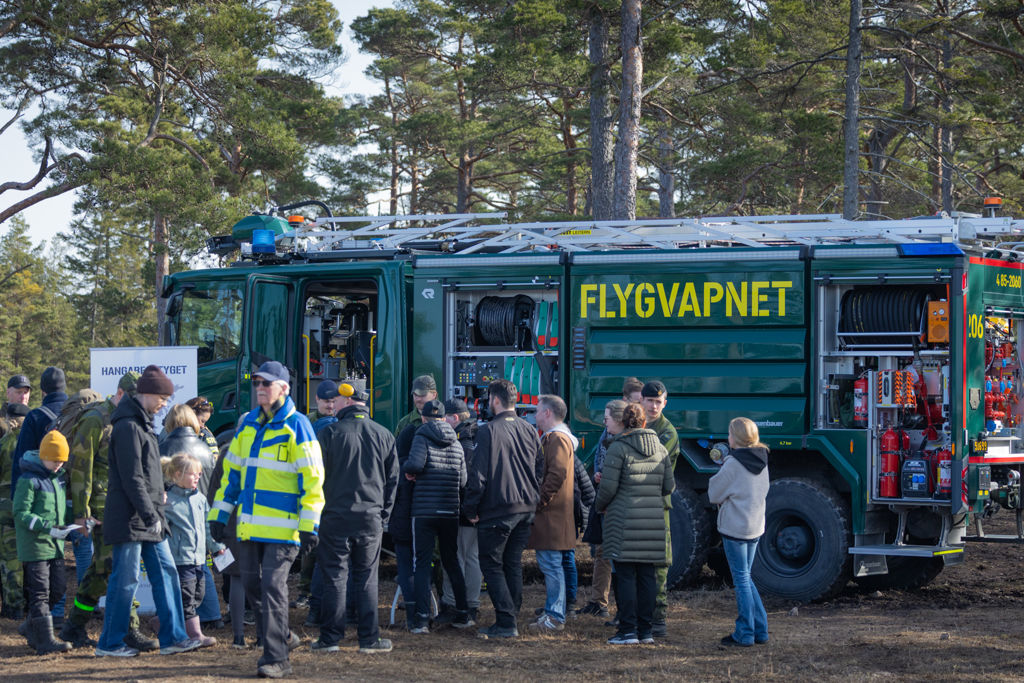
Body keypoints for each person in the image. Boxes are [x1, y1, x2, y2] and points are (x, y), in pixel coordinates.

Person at [209, 360, 325, 679]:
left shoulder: (298, 425)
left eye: (267, 384)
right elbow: (231, 475)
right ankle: (283, 636)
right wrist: (219, 515)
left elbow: (313, 480)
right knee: (251, 587)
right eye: (257, 383)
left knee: (273, 587)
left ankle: (276, 658)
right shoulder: (248, 425)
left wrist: (309, 524)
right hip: (248, 527)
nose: (260, 389)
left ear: (284, 389)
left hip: (284, 529)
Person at [95, 365, 201, 658]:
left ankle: (174, 638)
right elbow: (132, 478)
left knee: (166, 572)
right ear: (147, 394)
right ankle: (109, 643)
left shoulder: (142, 425)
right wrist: (151, 514)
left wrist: (157, 506)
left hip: (149, 518)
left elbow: (147, 475)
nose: (165, 403)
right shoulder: (128, 427)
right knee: (125, 579)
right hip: (133, 519)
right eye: (162, 398)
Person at [59, 371, 157, 651]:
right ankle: (124, 628)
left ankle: (76, 626)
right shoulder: (96, 419)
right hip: (100, 508)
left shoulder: (128, 420)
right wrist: (81, 512)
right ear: (122, 394)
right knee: (112, 566)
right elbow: (80, 468)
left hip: (121, 505)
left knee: (109, 568)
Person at [311, 383, 397, 654]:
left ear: (348, 402)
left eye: (337, 400)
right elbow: (393, 480)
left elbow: (316, 478)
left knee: (335, 576)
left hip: (334, 516)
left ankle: (330, 638)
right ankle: (369, 639)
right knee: (366, 577)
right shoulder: (383, 434)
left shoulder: (329, 434)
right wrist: (384, 512)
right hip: (370, 517)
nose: (333, 404)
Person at [464, 378, 543, 639]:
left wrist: (470, 508)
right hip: (525, 508)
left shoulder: (488, 431)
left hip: (498, 508)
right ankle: (512, 614)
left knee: (492, 564)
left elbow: (478, 476)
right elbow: (540, 467)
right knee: (512, 562)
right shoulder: (530, 429)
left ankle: (506, 621)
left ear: (495, 400)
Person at [595, 400, 674, 645]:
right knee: (647, 576)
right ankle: (646, 631)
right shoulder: (660, 448)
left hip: (623, 521)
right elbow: (668, 486)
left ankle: (627, 630)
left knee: (626, 576)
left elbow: (607, 489)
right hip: (652, 521)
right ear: (643, 421)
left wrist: (599, 506)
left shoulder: (619, 448)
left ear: (625, 422)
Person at [403, 399, 472, 633]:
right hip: (449, 511)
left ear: (423, 418)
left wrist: (409, 473)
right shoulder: (456, 441)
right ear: (444, 418)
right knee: (451, 561)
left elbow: (414, 463)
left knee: (421, 563)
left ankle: (422, 619)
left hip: (424, 511)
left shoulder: (421, 435)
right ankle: (463, 613)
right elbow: (463, 481)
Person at [578, 377, 643, 619]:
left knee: (619, 559)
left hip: (618, 503)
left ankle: (621, 609)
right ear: (625, 401)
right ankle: (599, 601)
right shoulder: (611, 430)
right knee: (602, 553)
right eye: (636, 401)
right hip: (607, 498)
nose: (639, 407)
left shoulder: (634, 434)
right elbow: (601, 458)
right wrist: (599, 477)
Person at [160, 402, 223, 630]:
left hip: (177, 519)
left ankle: (178, 620)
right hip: (201, 511)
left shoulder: (164, 447)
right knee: (200, 567)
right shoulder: (206, 447)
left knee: (181, 575)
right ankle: (211, 615)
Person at [708, 417, 770, 648]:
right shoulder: (763, 459)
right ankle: (760, 630)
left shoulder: (733, 463)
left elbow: (714, 493)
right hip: (754, 526)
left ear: (737, 437)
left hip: (735, 527)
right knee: (746, 576)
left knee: (741, 578)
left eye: (730, 433)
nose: (728, 437)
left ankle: (744, 632)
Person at [12, 431, 73, 654]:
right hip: (34, 547)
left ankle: (31, 626)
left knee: (57, 589)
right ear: (44, 456)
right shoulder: (28, 481)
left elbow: (60, 511)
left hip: (54, 546)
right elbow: (20, 513)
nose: (58, 465)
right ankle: (45, 640)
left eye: (62, 461)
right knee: (40, 592)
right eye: (55, 460)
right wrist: (46, 527)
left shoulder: (58, 480)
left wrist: (73, 523)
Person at [525, 395, 576, 633]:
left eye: (537, 411)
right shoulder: (559, 438)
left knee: (552, 566)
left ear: (547, 413)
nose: (535, 416)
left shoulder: (556, 439)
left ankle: (555, 615)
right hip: (555, 515)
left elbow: (556, 474)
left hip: (550, 516)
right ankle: (553, 611)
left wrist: (539, 501)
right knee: (553, 566)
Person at [163, 453, 225, 649]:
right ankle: (195, 634)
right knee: (187, 597)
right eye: (193, 474)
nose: (197, 478)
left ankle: (161, 620)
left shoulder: (200, 499)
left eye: (199, 474)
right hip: (181, 559)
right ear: (177, 475)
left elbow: (207, 527)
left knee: (199, 594)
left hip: (199, 558)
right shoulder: (168, 502)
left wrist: (216, 547)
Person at [437, 397, 481, 624]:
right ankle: (471, 603)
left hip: (464, 508)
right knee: (472, 556)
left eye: (444, 418)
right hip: (473, 508)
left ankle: (457, 604)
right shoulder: (476, 436)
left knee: (458, 557)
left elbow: (469, 480)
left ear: (454, 418)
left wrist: (467, 508)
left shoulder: (463, 442)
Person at [641, 380, 678, 637]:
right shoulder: (636, 425)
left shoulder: (667, 432)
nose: (654, 406)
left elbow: (648, 462)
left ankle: (658, 618)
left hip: (655, 504)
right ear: (641, 401)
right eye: (649, 401)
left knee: (659, 563)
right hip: (635, 505)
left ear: (664, 403)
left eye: (658, 402)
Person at [11, 367, 68, 489]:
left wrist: (16, 496)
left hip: (44, 489)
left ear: (43, 390)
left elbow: (22, 460)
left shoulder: (35, 416)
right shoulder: (77, 412)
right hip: (74, 488)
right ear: (64, 387)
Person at [0, 401, 29, 619]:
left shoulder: (5, 443)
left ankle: (14, 606)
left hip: (5, 506)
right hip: (28, 505)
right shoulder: (31, 442)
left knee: (10, 559)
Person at [0, 374, 31, 439]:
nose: (23, 397)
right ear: (8, 393)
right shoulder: (1, 421)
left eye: (25, 392)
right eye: (19, 392)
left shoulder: (35, 418)